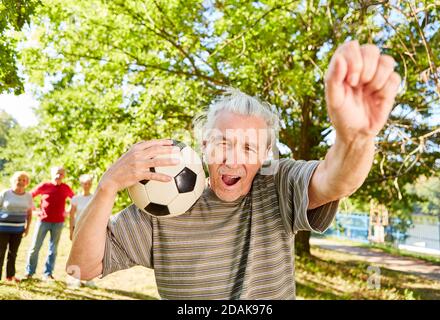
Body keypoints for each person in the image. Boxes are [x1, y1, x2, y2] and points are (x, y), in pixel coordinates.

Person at [67, 41, 401, 299]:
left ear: (265, 155)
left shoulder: (278, 186)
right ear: (204, 146)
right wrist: (107, 186)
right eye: (223, 143)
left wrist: (355, 138)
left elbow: (335, 180)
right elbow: (81, 267)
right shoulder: (159, 198)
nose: (232, 159)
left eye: (248, 147)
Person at [25, 166, 74, 281]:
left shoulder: (66, 188)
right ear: (52, 174)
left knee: (53, 249)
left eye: (61, 174)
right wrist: (34, 209)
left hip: (58, 223)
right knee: (35, 247)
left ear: (64, 176)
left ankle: (48, 273)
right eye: (57, 173)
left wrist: (68, 211)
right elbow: (29, 195)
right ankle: (29, 272)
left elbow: (74, 199)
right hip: (43, 221)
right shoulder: (45, 186)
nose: (58, 176)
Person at [0, 171, 33, 282]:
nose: (21, 182)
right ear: (14, 180)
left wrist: (27, 228)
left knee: (13, 253)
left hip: (18, 229)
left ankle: (10, 276)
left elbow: (29, 214)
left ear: (27, 183)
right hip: (2, 228)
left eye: (24, 180)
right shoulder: (5, 193)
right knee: (0, 252)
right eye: (19, 179)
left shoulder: (28, 196)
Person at [68, 173, 95, 288]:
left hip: (90, 230)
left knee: (90, 254)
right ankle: (75, 279)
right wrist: (71, 231)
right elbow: (71, 216)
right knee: (77, 255)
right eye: (85, 184)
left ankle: (89, 279)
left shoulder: (94, 197)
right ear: (81, 184)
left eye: (89, 183)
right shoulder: (76, 199)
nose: (87, 185)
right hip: (78, 230)